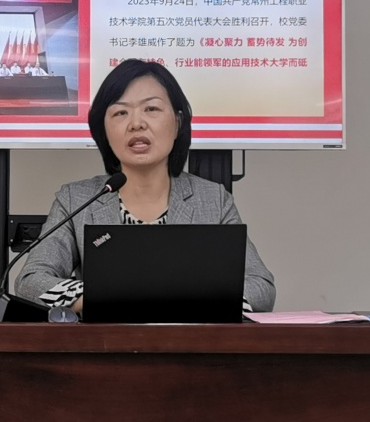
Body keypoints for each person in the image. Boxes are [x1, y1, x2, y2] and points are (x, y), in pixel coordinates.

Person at [15, 59, 275, 315]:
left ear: (178, 122)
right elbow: (30, 281)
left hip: (189, 341)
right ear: (104, 129)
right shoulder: (77, 199)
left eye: (151, 109)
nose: (136, 123)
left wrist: (175, 298)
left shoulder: (212, 199)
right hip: (105, 342)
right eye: (120, 112)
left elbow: (261, 287)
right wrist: (108, 296)